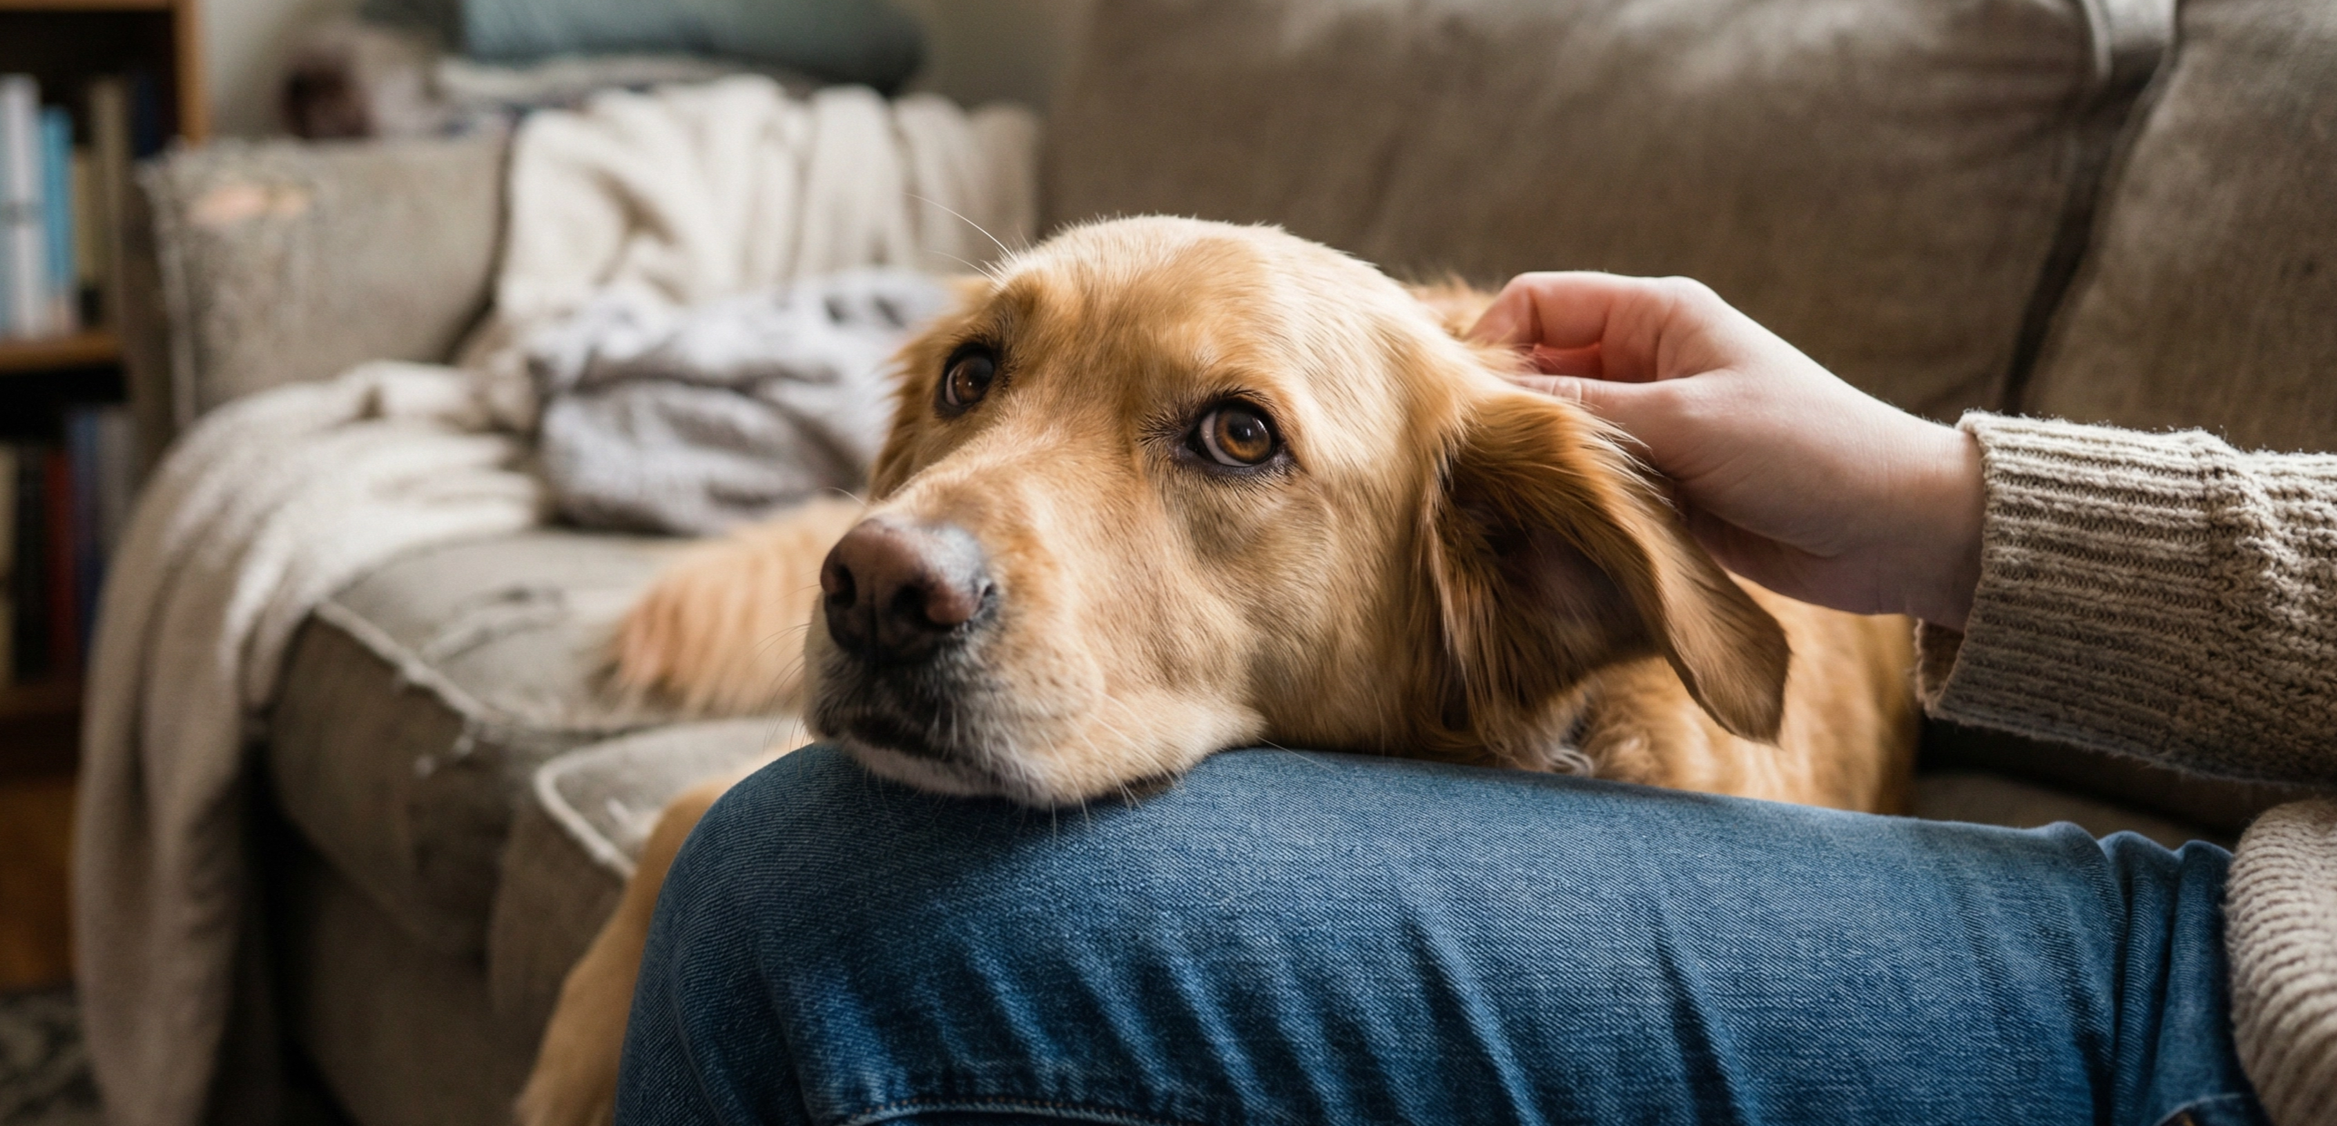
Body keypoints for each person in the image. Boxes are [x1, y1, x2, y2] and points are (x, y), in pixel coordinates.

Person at [615, 274, 2334, 1126]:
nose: (901, 550)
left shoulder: (1520, 564)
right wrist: (1939, 506)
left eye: (1231, 431)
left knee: (785, 888)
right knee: (728, 846)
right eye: (975, 384)